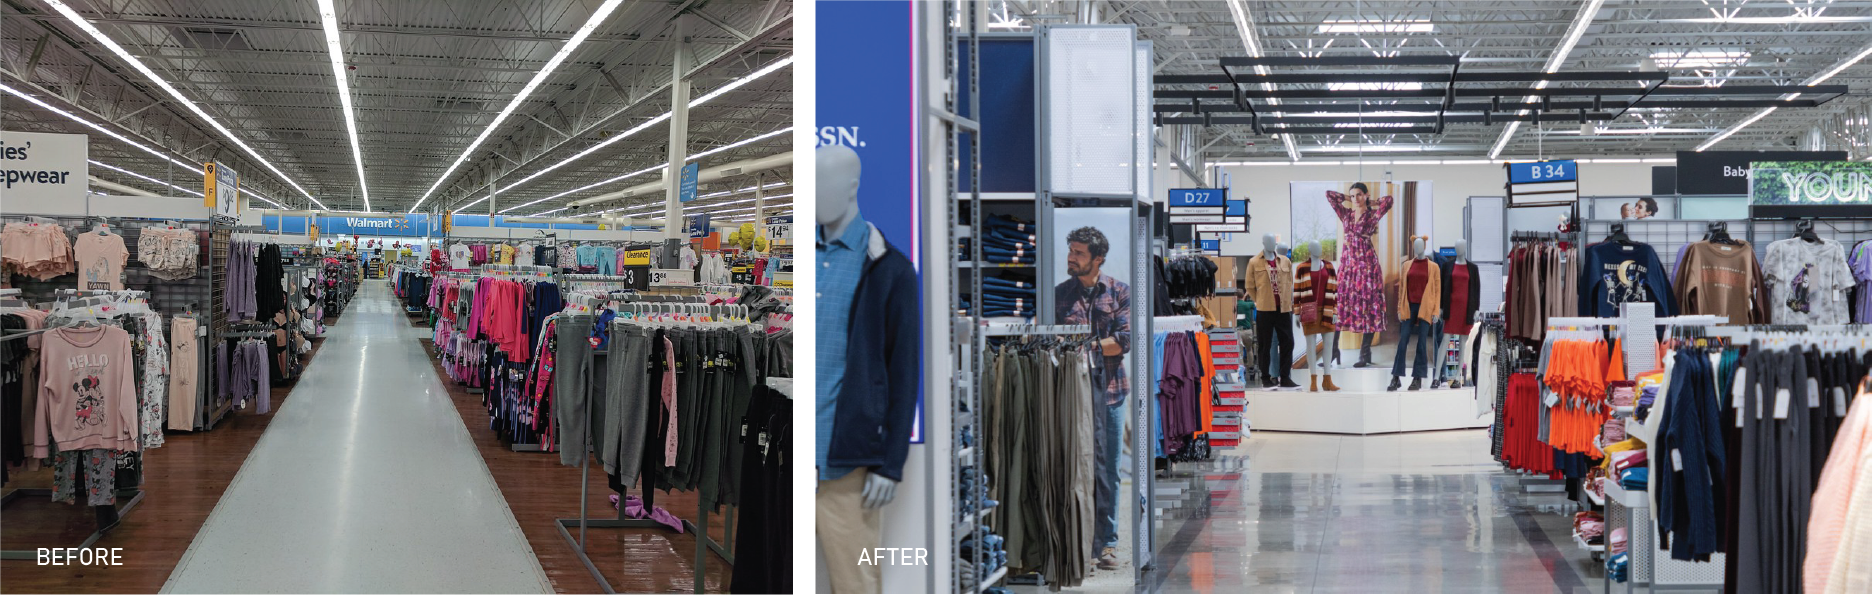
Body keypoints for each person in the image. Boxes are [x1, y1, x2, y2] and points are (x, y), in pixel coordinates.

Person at [1054, 225, 1130, 571]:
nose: (1071, 257)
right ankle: (1078, 540)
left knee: (1109, 470)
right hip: (1071, 394)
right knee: (1074, 467)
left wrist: (1088, 345)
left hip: (1110, 392)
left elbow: (1124, 341)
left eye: (1079, 253)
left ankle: (1108, 543)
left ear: (1098, 259)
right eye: (1070, 251)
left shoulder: (1118, 293)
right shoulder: (1058, 295)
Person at [1325, 182, 1394, 366]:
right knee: (1339, 308)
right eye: (1353, 196)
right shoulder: (1346, 214)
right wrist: (1349, 198)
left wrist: (1369, 201)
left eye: (1359, 195)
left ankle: (1365, 355)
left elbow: (1388, 201)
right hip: (1347, 267)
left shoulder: (1372, 216)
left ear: (1366, 195)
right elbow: (1329, 195)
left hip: (1367, 265)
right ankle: (1332, 353)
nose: (1356, 199)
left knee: (1369, 307)